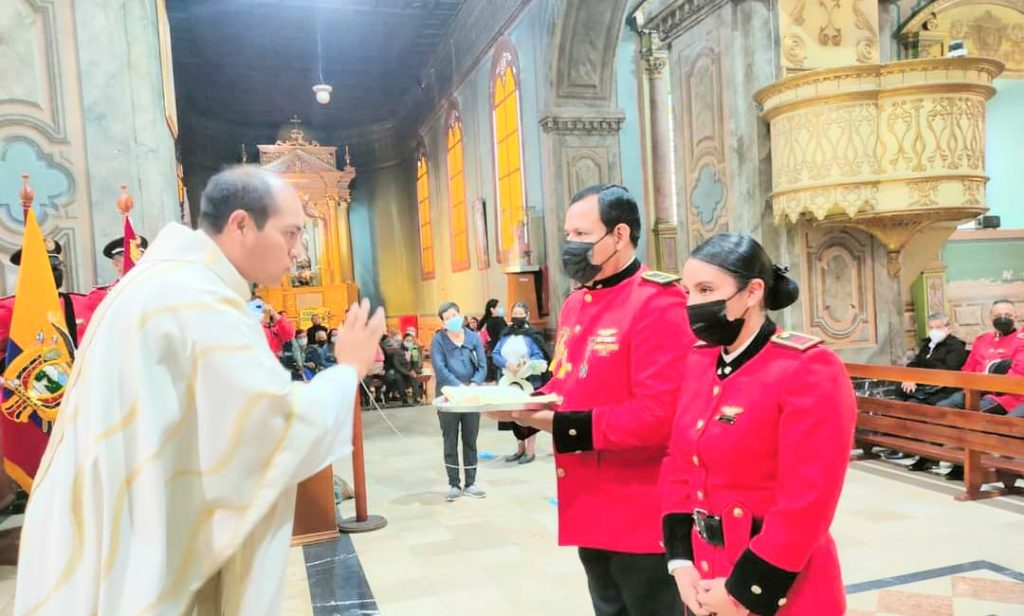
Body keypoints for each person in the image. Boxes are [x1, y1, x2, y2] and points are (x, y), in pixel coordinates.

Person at [14, 165, 386, 615]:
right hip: (137, 544)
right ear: (242, 225)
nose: (299, 250)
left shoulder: (166, 282)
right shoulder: (193, 297)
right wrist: (348, 369)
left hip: (115, 525)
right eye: (290, 234)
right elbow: (270, 428)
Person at [506, 184, 693, 616]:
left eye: (582, 234)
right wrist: (523, 406)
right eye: (568, 233)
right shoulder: (574, 304)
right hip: (588, 501)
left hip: (641, 508)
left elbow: (659, 417)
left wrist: (565, 425)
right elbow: (565, 380)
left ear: (619, 235)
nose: (570, 245)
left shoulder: (658, 302)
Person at [660, 233, 856, 615]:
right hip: (704, 574)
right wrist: (680, 561)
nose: (692, 304)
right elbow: (678, 462)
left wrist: (743, 591)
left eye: (705, 290)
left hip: (778, 584)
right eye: (688, 292)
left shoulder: (807, 368)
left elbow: (809, 500)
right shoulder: (700, 361)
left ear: (752, 292)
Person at [895, 312, 968, 471]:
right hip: (926, 388)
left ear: (948, 328)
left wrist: (922, 374)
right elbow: (914, 364)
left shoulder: (956, 347)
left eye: (938, 327)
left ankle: (930, 455)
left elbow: (949, 370)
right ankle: (914, 448)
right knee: (906, 402)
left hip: (945, 389)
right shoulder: (927, 344)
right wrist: (910, 377)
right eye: (931, 327)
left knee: (925, 408)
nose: (934, 331)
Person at [431, 301, 487, 502]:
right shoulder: (438, 340)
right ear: (443, 323)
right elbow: (440, 368)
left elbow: (482, 365)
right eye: (446, 318)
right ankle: (454, 483)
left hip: (471, 396)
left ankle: (471, 483)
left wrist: (473, 384)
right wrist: (458, 388)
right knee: (450, 439)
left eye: (453, 315)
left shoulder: (473, 337)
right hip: (449, 396)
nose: (451, 320)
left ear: (460, 315)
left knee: (470, 439)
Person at [492, 301, 550, 464]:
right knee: (513, 414)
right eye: (515, 314)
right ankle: (520, 448)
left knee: (529, 415)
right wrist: (506, 364)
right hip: (509, 379)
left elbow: (539, 356)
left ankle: (530, 451)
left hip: (528, 381)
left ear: (527, 315)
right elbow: (495, 354)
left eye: (520, 313)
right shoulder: (505, 334)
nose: (517, 317)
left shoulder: (532, 335)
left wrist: (526, 364)